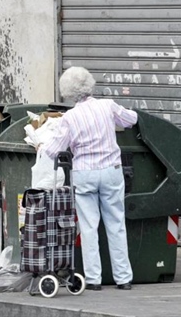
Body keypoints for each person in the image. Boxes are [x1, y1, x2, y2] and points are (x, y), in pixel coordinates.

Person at [40, 67, 136, 291]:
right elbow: (131, 119)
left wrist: (42, 144)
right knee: (116, 224)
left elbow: (54, 150)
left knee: (89, 226)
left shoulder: (70, 118)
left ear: (67, 91)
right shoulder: (107, 106)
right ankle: (124, 279)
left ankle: (93, 279)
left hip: (85, 174)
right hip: (111, 170)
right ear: (90, 84)